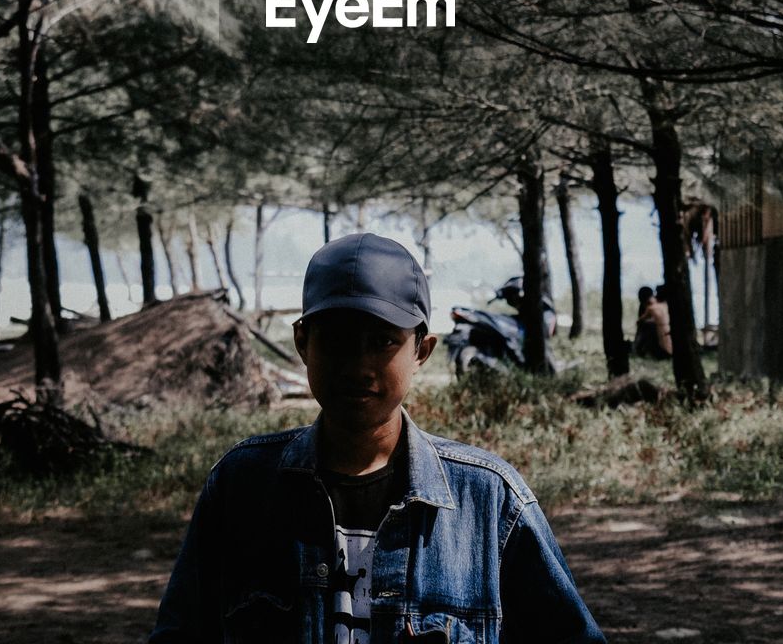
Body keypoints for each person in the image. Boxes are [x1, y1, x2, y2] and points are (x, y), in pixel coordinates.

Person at [149, 231, 605, 643]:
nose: (358, 366)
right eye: (337, 340)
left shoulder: (489, 503)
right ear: (303, 343)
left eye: (383, 341)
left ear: (421, 349)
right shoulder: (241, 487)